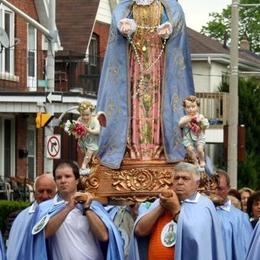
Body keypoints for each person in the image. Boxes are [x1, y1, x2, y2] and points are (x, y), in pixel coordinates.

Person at [97, 0, 194, 169]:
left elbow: (176, 21)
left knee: (160, 104)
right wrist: (124, 26)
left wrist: (169, 27)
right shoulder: (126, 7)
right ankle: (132, 148)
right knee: (133, 104)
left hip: (161, 66)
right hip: (133, 66)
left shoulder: (169, 7)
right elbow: (118, 23)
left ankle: (160, 148)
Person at [129, 162, 226, 260]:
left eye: (185, 178)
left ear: (197, 184)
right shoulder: (160, 202)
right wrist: (162, 206)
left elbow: (195, 238)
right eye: (176, 178)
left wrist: (175, 209)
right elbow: (140, 231)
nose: (179, 182)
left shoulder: (203, 205)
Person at [32, 161, 124, 260]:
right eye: (59, 177)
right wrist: (68, 208)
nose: (63, 181)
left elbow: (104, 236)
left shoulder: (94, 206)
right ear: (55, 182)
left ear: (77, 180)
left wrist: (87, 209)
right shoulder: (46, 208)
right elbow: (43, 234)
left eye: (67, 176)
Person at [6, 174, 56, 260]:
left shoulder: (63, 213)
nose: (45, 196)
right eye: (41, 191)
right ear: (34, 193)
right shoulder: (19, 217)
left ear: (56, 193)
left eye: (49, 191)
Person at [213, 170, 253, 260]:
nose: (215, 192)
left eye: (219, 188)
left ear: (228, 189)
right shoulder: (201, 213)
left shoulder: (240, 218)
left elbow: (247, 251)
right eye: (212, 188)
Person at [178, 95, 209, 169]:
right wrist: (188, 119)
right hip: (188, 137)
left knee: (200, 149)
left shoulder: (200, 117)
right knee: (190, 149)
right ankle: (195, 162)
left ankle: (202, 160)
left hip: (199, 137)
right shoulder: (185, 118)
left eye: (193, 106)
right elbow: (180, 124)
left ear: (197, 107)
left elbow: (206, 125)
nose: (191, 109)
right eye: (188, 107)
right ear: (185, 108)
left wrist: (200, 122)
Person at [76, 101, 101, 175]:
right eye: (83, 115)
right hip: (83, 140)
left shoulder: (95, 120)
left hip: (92, 141)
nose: (85, 117)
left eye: (87, 115)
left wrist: (89, 130)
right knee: (84, 154)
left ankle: (83, 166)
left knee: (89, 152)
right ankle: (86, 167)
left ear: (91, 113)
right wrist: (77, 133)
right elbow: (76, 130)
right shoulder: (79, 120)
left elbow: (98, 131)